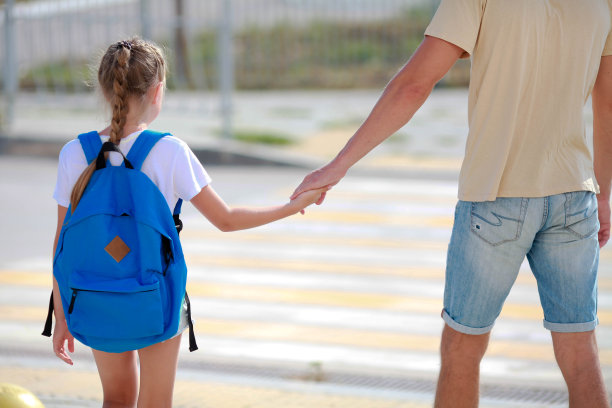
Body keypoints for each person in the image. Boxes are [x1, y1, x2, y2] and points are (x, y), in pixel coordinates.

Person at [292, 1, 612, 407]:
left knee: (463, 349)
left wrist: (338, 165)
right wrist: (603, 193)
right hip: (574, 193)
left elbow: (415, 84)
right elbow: (608, 106)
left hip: (495, 197)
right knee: (580, 351)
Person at [50, 37, 326, 408]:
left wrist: (62, 311)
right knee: (155, 402)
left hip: (95, 293)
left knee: (115, 398)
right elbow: (226, 220)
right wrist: (292, 207)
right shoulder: (168, 152)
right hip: (157, 296)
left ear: (104, 88)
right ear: (157, 91)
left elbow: (61, 245)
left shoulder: (74, 153)